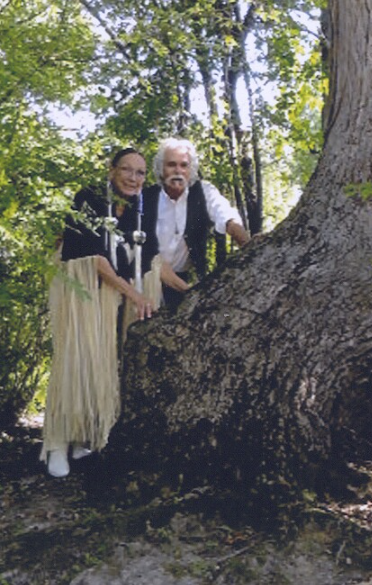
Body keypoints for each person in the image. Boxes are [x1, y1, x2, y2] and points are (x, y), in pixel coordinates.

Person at [40, 148, 185, 478]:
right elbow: (95, 258)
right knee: (76, 361)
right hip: (82, 289)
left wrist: (189, 291)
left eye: (140, 173)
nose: (134, 178)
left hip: (114, 293)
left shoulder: (140, 209)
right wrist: (134, 294)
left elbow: (151, 260)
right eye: (127, 170)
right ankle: (57, 444)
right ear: (111, 170)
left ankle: (84, 435)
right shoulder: (89, 199)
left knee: (106, 364)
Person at [142, 138, 251, 310]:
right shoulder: (145, 198)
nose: (178, 171)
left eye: (184, 165)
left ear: (190, 170)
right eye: (171, 164)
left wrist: (249, 245)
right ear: (161, 169)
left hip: (182, 282)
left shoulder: (203, 192)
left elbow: (226, 215)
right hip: (145, 281)